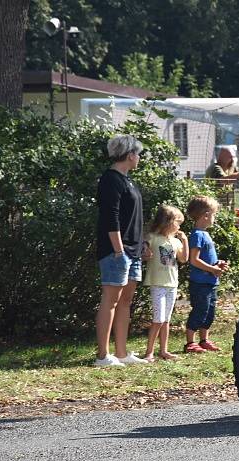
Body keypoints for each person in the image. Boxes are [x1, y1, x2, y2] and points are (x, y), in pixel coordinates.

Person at [95, 134, 150, 367]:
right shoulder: (110, 179)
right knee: (111, 300)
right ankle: (102, 356)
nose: (139, 158)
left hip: (133, 251)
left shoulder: (128, 180)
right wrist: (119, 250)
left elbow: (135, 217)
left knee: (126, 302)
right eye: (137, 154)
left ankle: (121, 353)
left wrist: (142, 244)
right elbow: (111, 217)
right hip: (116, 251)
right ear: (129, 155)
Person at [142, 205, 189, 362]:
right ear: (168, 222)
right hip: (157, 284)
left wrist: (185, 241)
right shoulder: (153, 238)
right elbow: (144, 248)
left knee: (166, 320)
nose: (179, 226)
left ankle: (164, 350)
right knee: (158, 319)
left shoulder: (175, 241)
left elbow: (183, 259)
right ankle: (149, 352)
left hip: (172, 284)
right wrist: (145, 250)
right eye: (178, 222)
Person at [184, 196, 228, 353]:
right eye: (214, 214)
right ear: (206, 215)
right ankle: (190, 342)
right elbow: (194, 260)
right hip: (200, 282)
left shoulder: (205, 234)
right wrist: (212, 269)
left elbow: (206, 258)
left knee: (209, 312)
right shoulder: (197, 235)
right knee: (200, 310)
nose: (215, 218)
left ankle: (204, 340)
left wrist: (217, 265)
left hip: (210, 282)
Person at [205, 147, 239, 217]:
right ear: (221, 157)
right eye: (229, 157)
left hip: (228, 206)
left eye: (233, 157)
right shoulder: (215, 168)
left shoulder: (232, 167)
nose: (232, 159)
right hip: (214, 205)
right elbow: (224, 180)